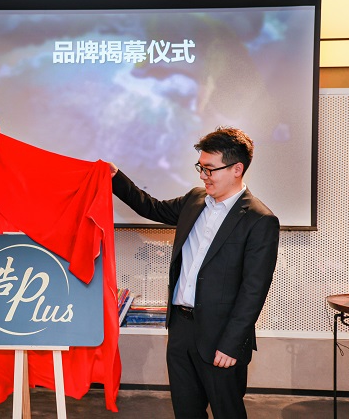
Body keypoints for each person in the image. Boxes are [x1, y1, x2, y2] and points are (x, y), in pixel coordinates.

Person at [109, 127, 279, 419]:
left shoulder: (259, 219)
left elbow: (254, 291)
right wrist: (115, 177)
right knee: (186, 411)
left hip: (221, 337)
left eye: (210, 169)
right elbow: (150, 207)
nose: (203, 176)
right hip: (180, 329)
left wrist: (231, 344)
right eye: (200, 167)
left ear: (237, 169)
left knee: (228, 412)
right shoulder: (194, 200)